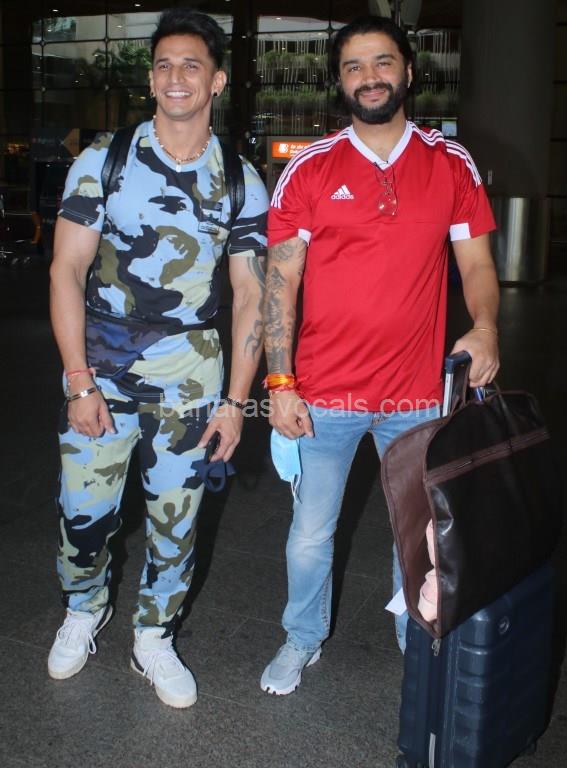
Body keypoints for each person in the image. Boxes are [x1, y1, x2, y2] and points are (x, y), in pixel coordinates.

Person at [260, 15, 500, 696]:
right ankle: (302, 638)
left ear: (408, 72)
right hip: (323, 394)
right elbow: (280, 280)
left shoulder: (450, 163)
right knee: (310, 535)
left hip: (416, 394)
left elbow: (477, 263)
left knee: (416, 535)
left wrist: (486, 327)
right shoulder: (310, 168)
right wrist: (279, 380)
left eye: (382, 62)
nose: (369, 77)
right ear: (340, 82)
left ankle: (413, 637)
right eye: (354, 66)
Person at [47, 8, 268, 708]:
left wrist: (236, 403)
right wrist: (78, 380)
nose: (176, 77)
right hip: (102, 363)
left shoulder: (241, 181)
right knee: (83, 513)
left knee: (177, 518)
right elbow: (64, 271)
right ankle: (84, 607)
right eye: (165, 65)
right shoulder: (103, 162)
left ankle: (154, 634)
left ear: (217, 81)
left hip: (191, 370)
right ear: (150, 79)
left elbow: (250, 297)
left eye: (191, 65)